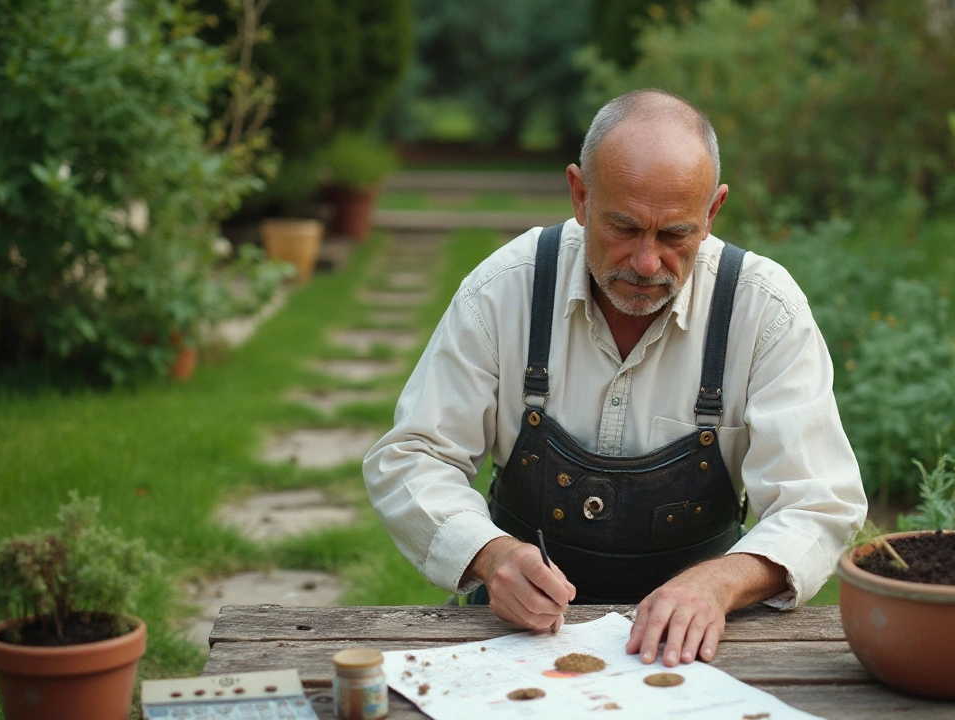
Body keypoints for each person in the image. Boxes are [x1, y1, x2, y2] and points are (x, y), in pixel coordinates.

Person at [364, 89, 866, 668]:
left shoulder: (763, 311)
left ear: (712, 213)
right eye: (624, 228)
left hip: (693, 651)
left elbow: (818, 502)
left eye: (676, 234)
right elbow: (414, 455)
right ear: (580, 195)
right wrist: (489, 555)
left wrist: (719, 585)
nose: (647, 262)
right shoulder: (507, 289)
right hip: (515, 640)